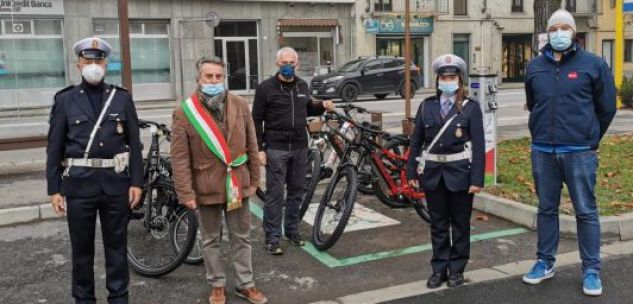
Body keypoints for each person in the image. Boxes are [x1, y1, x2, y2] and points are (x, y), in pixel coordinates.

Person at [521, 9, 616, 297]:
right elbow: (533, 102)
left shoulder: (593, 64)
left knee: (585, 211)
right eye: (554, 28)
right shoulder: (534, 66)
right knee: (546, 209)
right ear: (548, 33)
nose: (559, 33)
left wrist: (590, 138)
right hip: (543, 151)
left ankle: (591, 269)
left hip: (579, 153)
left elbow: (607, 107)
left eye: (565, 27)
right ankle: (545, 262)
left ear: (574, 32)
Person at [46, 37, 143, 304]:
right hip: (79, 186)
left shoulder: (121, 98)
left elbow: (135, 143)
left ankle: (119, 299)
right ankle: (84, 300)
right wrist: (54, 188)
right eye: (88, 60)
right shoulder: (65, 100)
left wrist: (137, 182)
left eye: (98, 60)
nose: (93, 65)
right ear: (78, 64)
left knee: (117, 251)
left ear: (106, 64)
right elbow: (54, 147)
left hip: (116, 184)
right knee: (81, 253)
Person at [170, 56, 267, 304]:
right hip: (205, 187)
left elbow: (252, 144)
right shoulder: (184, 112)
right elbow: (179, 158)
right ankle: (217, 285)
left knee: (241, 237)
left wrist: (254, 180)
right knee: (210, 239)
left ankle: (246, 284)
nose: (214, 81)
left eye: (218, 77)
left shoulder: (239, 104)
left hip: (237, 183)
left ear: (224, 78)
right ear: (198, 79)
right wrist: (186, 193)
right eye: (208, 76)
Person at [406, 54, 485, 289]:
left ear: (459, 80)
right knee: (438, 225)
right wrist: (411, 173)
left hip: (461, 174)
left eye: (452, 77)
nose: (447, 81)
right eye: (443, 77)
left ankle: (457, 269)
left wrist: (477, 178)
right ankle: (439, 269)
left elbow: (479, 147)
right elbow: (416, 141)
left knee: (460, 225)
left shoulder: (471, 109)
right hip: (432, 175)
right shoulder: (426, 106)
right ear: (438, 80)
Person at [251, 47, 334, 255]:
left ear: (297, 64)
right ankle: (272, 238)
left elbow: (308, 108)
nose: (288, 66)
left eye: (291, 63)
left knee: (297, 192)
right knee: (275, 195)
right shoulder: (265, 88)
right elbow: (256, 120)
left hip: (300, 147)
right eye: (284, 63)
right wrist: (260, 149)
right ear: (277, 64)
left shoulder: (302, 86)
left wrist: (322, 105)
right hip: (276, 149)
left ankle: (292, 231)